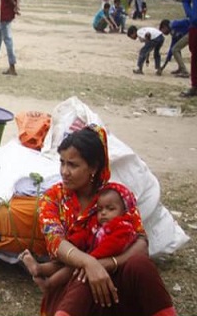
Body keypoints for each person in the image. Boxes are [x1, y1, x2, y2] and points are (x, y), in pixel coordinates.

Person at [37, 124, 176, 316]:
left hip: (115, 283)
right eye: (62, 162)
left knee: (140, 265)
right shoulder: (52, 198)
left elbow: (141, 243)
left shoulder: (116, 196)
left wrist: (106, 264)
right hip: (72, 289)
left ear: (93, 167)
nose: (64, 171)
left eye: (73, 165)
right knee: (83, 275)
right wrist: (88, 263)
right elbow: (55, 243)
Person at [21, 187, 138, 292]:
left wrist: (90, 259)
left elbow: (111, 246)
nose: (103, 213)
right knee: (66, 262)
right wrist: (73, 243)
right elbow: (84, 233)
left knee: (73, 268)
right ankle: (39, 268)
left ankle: (49, 284)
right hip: (86, 256)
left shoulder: (123, 227)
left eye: (110, 209)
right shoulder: (95, 223)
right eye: (100, 209)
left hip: (104, 263)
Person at [181, 0, 197, 97]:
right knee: (195, 55)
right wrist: (191, 14)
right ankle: (194, 86)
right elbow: (186, 1)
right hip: (195, 25)